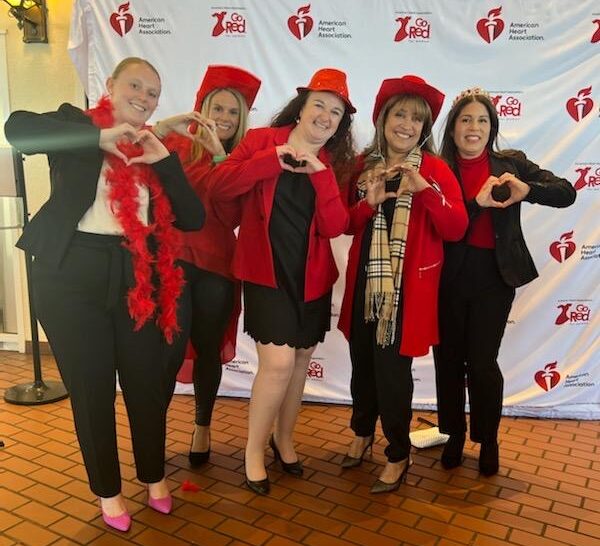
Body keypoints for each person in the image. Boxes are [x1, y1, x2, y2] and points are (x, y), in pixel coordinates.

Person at [4, 57, 205, 531]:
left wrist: (165, 163)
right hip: (70, 272)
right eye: (134, 85)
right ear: (111, 86)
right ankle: (108, 492)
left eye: (153, 92)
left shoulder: (152, 147)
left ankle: (154, 476)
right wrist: (99, 139)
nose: (143, 96)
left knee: (146, 382)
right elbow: (17, 129)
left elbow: (193, 219)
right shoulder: (77, 126)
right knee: (91, 390)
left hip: (135, 275)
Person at [209, 68, 356, 495]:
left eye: (336, 112)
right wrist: (269, 161)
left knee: (297, 364)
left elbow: (336, 227)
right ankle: (253, 451)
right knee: (275, 364)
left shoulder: (335, 163)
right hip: (265, 272)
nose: (326, 117)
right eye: (320, 106)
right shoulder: (260, 141)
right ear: (301, 106)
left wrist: (320, 176)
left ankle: (284, 439)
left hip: (310, 278)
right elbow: (221, 186)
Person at [433, 87, 576, 476]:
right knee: (447, 361)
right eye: (466, 119)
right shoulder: (436, 166)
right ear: (453, 127)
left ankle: (487, 438)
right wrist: (474, 205)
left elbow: (567, 192)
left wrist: (529, 191)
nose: (473, 127)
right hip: (446, 276)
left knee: (481, 363)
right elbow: (437, 223)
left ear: (491, 127)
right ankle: (454, 435)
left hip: (494, 276)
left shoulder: (511, 163)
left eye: (482, 120)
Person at [337, 75, 468, 493]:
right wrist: (366, 203)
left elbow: (456, 228)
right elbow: (345, 222)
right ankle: (361, 432)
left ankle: (397, 453)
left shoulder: (435, 169)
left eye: (416, 118)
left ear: (424, 128)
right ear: (383, 119)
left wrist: (425, 191)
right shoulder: (362, 164)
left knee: (393, 373)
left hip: (406, 292)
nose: (407, 124)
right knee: (362, 364)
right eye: (400, 114)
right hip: (365, 284)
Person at [151, 65, 261, 466]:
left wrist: (220, 156)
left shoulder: (239, 157)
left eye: (234, 112)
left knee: (210, 348)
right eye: (218, 108)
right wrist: (162, 127)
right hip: (176, 258)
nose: (225, 118)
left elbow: (235, 213)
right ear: (202, 107)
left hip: (218, 263)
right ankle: (154, 431)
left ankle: (203, 426)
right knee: (170, 347)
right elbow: (137, 165)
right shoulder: (175, 144)